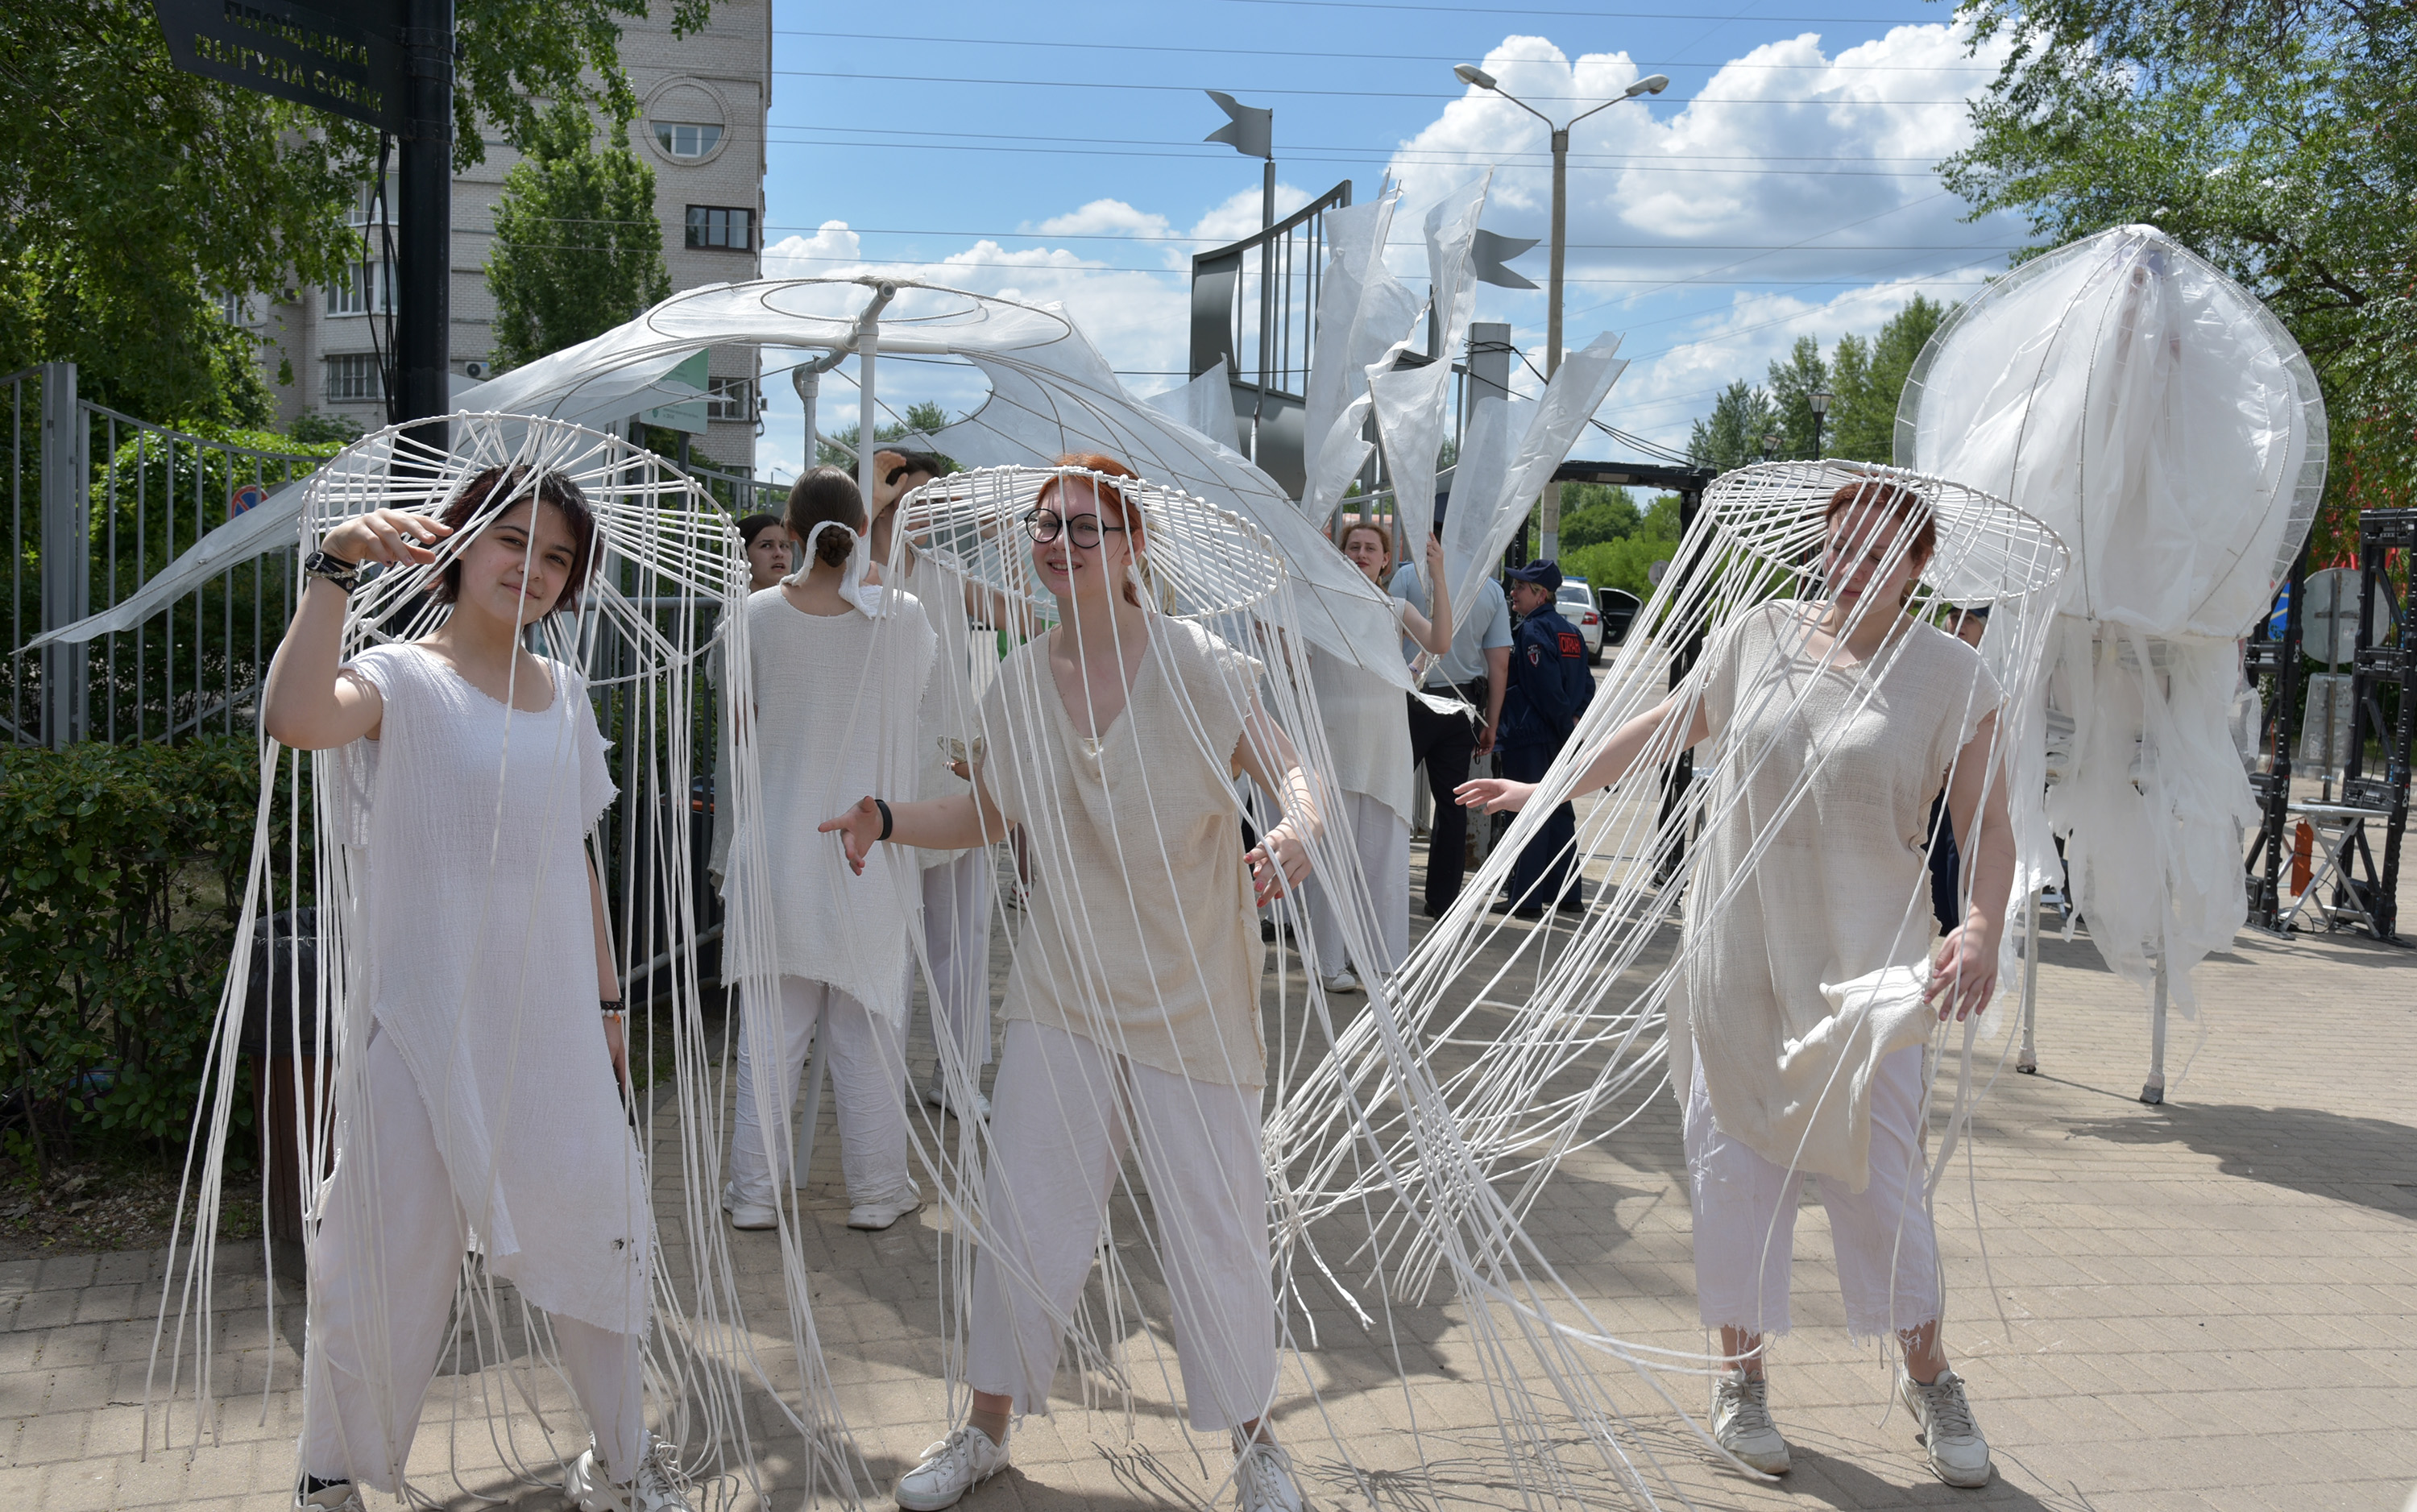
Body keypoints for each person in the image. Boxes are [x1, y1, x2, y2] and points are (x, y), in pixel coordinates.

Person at [1458, 478, 2010, 1489]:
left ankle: (1929, 1374)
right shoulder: (1759, 634)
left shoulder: (1953, 674)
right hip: (1739, 951)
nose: (1852, 565)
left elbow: (1989, 828)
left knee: (1883, 1184)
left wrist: (1981, 925)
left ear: (1919, 565)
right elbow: (1663, 726)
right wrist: (1547, 789)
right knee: (1734, 1173)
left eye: (1879, 551)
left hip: (1870, 963)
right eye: (1839, 544)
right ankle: (1740, 1380)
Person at [819, 455, 1323, 1512]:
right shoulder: (1015, 681)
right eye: (1046, 526)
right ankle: (985, 1428)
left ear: (1134, 545)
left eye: (1087, 527)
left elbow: (1291, 767)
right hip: (1063, 987)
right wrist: (890, 817)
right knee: (1027, 1210)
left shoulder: (1198, 662)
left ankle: (1257, 1444)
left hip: (1194, 992)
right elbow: (986, 814)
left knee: (1216, 1223)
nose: (1059, 544)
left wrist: (1297, 828)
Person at [260, 466, 691, 1511]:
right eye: (513, 540)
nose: (533, 568)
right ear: (456, 545)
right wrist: (335, 567)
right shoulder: (400, 676)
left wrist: (609, 1006)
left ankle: (624, 1464)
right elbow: (297, 715)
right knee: (380, 1257)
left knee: (597, 1235)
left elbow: (575, 857)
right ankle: (329, 1474)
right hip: (422, 1023)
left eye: (559, 557)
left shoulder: (567, 693)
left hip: (551, 1029)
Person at [719, 466, 932, 1234]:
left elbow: (740, 726)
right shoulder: (904, 617)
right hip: (868, 845)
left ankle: (754, 1192)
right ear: (862, 525)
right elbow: (912, 702)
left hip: (778, 844)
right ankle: (876, 1189)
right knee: (868, 1033)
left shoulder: (753, 616)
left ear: (791, 528)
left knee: (769, 1038)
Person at [867, 446, 1008, 1121]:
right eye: (903, 497)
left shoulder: (948, 573)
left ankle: (956, 1075)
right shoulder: (853, 568)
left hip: (955, 771)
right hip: (884, 778)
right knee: (885, 937)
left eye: (929, 501)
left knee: (964, 937)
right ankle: (876, 1078)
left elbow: (1024, 613)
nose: (915, 512)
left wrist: (1000, 535)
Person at [1302, 520, 1452, 992]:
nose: (1362, 554)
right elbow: (1285, 649)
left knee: (1382, 859)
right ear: (1341, 553)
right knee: (1334, 858)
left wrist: (1438, 575)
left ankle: (1378, 962)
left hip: (1386, 748)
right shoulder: (1317, 604)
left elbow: (1440, 643)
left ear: (1387, 561)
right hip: (1333, 747)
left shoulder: (1396, 608)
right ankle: (1329, 962)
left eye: (1371, 548)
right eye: (1353, 546)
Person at [1388, 531, 1513, 917]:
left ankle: (1385, 889)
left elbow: (1387, 637)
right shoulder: (1490, 590)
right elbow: (1499, 664)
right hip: (1461, 705)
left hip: (1411, 697)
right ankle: (1442, 901)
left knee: (1389, 794)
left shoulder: (1408, 577)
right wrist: (1491, 722)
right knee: (1452, 804)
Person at [1493, 559, 1593, 918]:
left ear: (1540, 594)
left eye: (1520, 587)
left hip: (1533, 736)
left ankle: (1526, 899)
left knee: (1528, 812)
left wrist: (1564, 726)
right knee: (1560, 811)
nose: (1513, 592)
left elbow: (1545, 689)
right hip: (1560, 735)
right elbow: (1587, 686)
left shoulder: (1532, 631)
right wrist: (1574, 724)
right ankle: (1567, 894)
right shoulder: (1572, 632)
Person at [707, 513, 798, 889]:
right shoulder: (738, 614)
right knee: (752, 881)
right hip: (756, 763)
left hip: (789, 763)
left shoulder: (790, 609)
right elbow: (742, 710)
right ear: (742, 556)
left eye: (785, 546)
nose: (779, 554)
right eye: (766, 545)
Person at [1928, 604, 1990, 933]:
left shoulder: (1990, 669)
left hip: (1969, 770)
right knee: (1931, 841)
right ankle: (1937, 916)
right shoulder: (1934, 659)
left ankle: (1957, 920)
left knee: (1961, 844)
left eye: (1970, 619)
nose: (1960, 623)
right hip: (1933, 768)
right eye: (1955, 615)